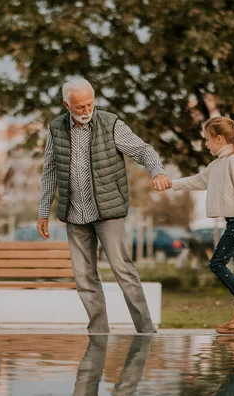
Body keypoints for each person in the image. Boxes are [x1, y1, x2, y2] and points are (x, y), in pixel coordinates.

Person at [37, 78, 171, 334]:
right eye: (79, 107)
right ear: (67, 104)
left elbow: (142, 150)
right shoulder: (56, 129)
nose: (87, 111)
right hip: (74, 213)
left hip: (108, 211)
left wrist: (158, 171)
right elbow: (50, 172)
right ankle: (98, 333)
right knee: (84, 277)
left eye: (90, 104)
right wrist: (43, 212)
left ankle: (145, 331)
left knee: (123, 270)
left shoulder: (110, 124)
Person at [159, 116, 234, 333]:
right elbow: (196, 181)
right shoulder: (217, 165)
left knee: (216, 263)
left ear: (219, 138)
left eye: (207, 139)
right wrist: (170, 184)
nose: (205, 144)